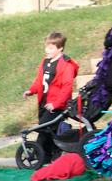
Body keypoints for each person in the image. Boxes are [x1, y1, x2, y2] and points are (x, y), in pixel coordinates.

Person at [22, 32, 78, 163]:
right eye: (46, 47)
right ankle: (49, 156)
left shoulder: (66, 65)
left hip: (56, 106)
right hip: (44, 103)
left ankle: (36, 153)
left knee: (43, 128)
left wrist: (56, 104)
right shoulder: (45, 62)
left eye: (51, 48)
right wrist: (31, 90)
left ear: (60, 48)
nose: (47, 50)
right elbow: (39, 81)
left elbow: (66, 88)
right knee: (48, 131)